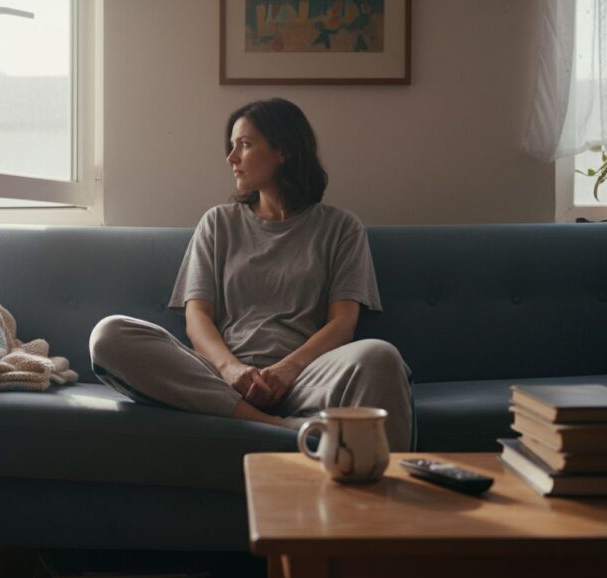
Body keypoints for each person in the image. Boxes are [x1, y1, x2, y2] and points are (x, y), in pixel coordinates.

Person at [89, 98, 413, 450]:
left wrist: (286, 371)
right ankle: (275, 425)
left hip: (307, 378)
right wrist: (231, 370)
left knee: (381, 356)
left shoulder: (341, 227)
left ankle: (389, 500)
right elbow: (197, 317)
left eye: (243, 145)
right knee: (109, 335)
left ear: (283, 151)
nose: (231, 159)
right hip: (220, 377)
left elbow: (343, 323)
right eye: (231, 148)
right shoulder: (218, 223)